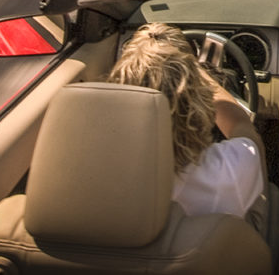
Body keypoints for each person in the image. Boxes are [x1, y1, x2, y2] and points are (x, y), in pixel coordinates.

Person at [108, 22, 267, 219]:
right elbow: (244, 129)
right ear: (197, 100)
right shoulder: (227, 170)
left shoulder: (95, 165)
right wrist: (196, 70)